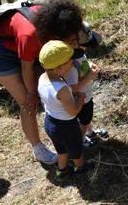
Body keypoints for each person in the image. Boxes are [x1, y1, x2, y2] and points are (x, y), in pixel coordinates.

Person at [0, 0, 84, 165]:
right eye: (71, 41)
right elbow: (26, 66)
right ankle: (38, 149)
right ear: (57, 36)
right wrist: (31, 92)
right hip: (2, 57)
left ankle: (72, 133)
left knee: (51, 90)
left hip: (31, 52)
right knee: (28, 103)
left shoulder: (61, 19)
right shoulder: (30, 34)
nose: (75, 44)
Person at [38, 40, 94, 177]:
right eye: (69, 63)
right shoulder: (62, 88)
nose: (72, 64)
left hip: (50, 122)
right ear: (59, 68)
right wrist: (80, 100)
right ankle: (80, 167)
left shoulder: (42, 78)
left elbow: (47, 100)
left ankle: (62, 170)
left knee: (61, 149)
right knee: (76, 149)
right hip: (66, 126)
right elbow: (73, 111)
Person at [63, 22, 107, 148]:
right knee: (84, 119)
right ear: (74, 44)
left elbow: (82, 61)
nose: (86, 48)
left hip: (86, 95)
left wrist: (89, 64)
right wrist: (90, 76)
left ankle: (90, 132)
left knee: (86, 119)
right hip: (81, 98)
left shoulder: (78, 55)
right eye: (84, 45)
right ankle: (81, 139)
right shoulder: (70, 64)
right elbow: (73, 88)